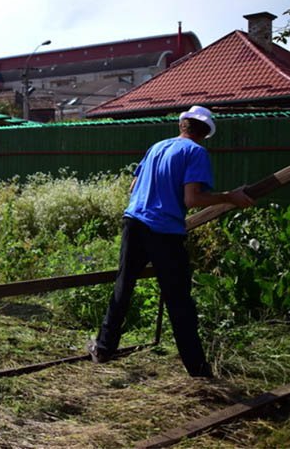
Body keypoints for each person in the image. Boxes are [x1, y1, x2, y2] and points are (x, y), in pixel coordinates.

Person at [88, 106, 254, 377]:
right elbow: (192, 199)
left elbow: (133, 188)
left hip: (133, 221)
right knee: (179, 301)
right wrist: (229, 197)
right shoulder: (196, 152)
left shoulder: (157, 147)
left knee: (124, 286)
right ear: (204, 133)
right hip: (163, 231)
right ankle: (198, 371)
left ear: (182, 125)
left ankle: (104, 348)